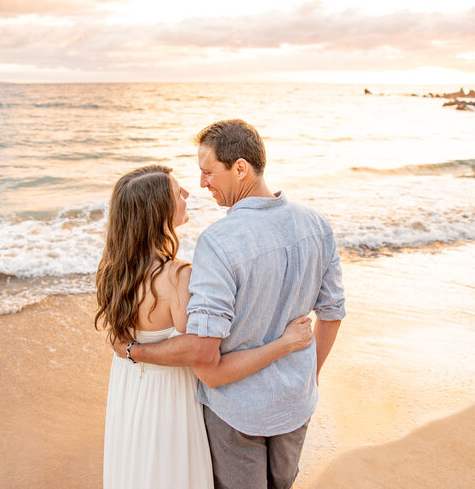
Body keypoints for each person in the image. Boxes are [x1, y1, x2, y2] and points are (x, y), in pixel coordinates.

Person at [114, 119, 345, 489]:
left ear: (240, 168)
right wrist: (309, 375)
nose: (202, 183)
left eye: (208, 172)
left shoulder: (218, 242)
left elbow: (205, 355)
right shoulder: (316, 224)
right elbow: (332, 314)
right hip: (296, 402)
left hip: (236, 410)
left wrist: (134, 351)